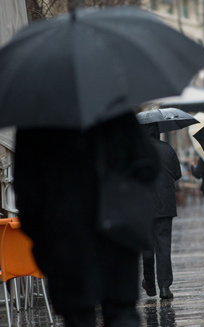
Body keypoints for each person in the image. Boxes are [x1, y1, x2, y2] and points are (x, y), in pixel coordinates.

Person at [13, 113, 159, 327]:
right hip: (117, 236)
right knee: (122, 316)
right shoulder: (113, 110)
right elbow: (148, 164)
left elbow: (26, 195)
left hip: (66, 242)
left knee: (78, 318)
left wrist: (44, 243)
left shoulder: (35, 122)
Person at [141, 123, 181, 299]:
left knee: (147, 248)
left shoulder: (137, 150)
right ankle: (164, 287)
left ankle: (150, 285)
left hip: (143, 207)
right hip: (165, 205)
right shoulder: (167, 149)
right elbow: (177, 174)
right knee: (163, 247)